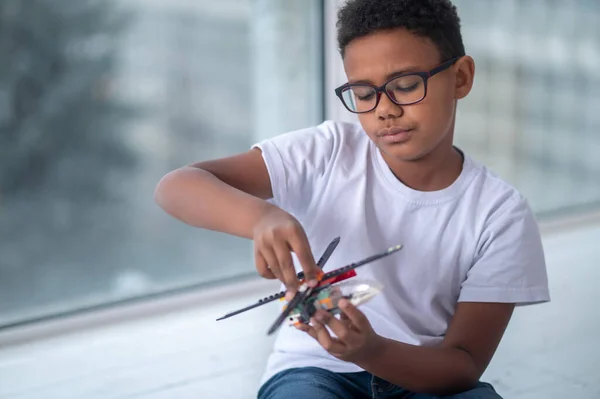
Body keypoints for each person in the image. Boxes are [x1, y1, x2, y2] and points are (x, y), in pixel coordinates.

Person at [154, 0, 550, 397]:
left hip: (421, 376)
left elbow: (462, 366)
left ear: (461, 77)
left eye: (407, 85)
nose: (385, 110)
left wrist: (371, 350)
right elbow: (177, 186)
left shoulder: (501, 214)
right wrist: (260, 218)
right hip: (314, 372)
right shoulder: (326, 152)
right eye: (363, 93)